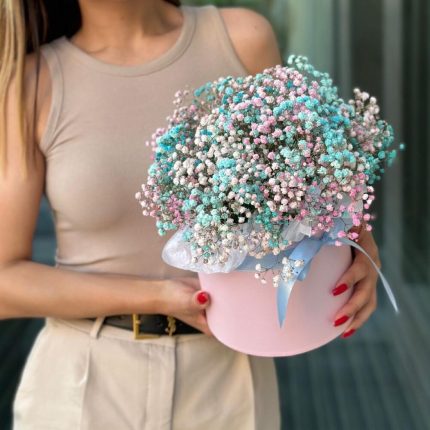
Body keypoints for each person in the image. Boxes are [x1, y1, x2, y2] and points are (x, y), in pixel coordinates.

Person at [0, 0, 382, 429]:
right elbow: (5, 283)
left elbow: (310, 188)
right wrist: (159, 297)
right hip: (82, 383)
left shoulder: (241, 38)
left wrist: (354, 239)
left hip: (228, 381)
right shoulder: (29, 84)